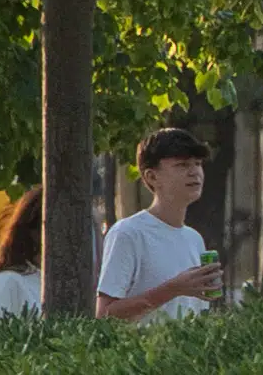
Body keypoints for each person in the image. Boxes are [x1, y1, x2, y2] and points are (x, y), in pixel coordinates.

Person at [96, 127, 225, 325]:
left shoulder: (194, 239)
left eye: (197, 164)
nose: (194, 172)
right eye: (182, 165)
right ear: (152, 177)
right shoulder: (128, 233)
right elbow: (105, 314)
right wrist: (172, 289)